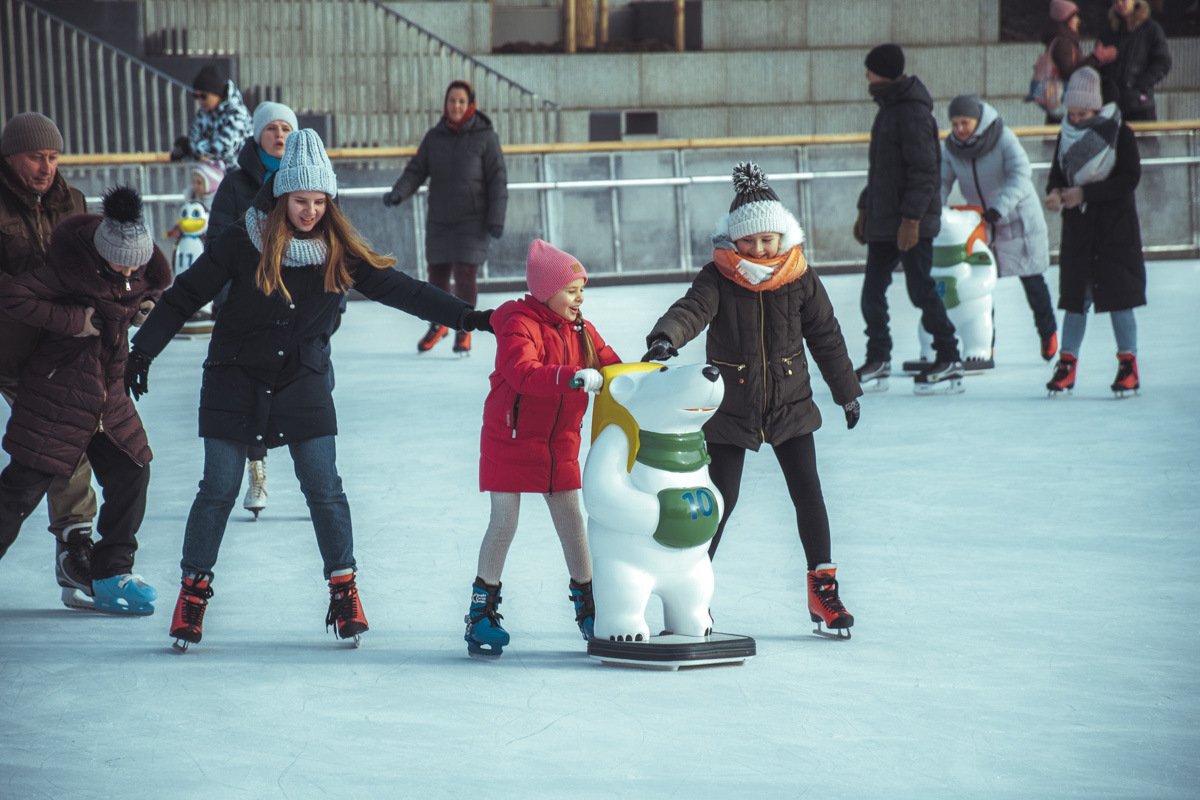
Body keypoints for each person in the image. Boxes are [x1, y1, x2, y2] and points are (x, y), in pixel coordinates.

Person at [128, 129, 494, 650]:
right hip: (235, 377)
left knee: (324, 487)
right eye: (301, 200)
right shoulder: (241, 240)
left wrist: (469, 317)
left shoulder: (338, 250)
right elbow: (185, 294)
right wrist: (144, 349)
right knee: (218, 489)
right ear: (281, 196)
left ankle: (343, 588)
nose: (310, 211)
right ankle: (193, 591)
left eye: (320, 201)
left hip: (303, 379)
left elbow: (403, 289)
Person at [643, 162, 862, 638]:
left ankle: (822, 588)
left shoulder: (799, 277)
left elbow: (826, 335)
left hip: (791, 403)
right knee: (719, 502)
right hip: (731, 406)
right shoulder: (718, 278)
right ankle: (689, 594)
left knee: (809, 494)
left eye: (768, 240)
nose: (760, 249)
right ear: (733, 241)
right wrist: (666, 338)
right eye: (750, 241)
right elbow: (691, 310)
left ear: (782, 236)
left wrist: (846, 392)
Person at [0, 186, 169, 614]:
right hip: (57, 393)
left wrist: (146, 303)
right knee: (20, 492)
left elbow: (156, 288)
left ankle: (111, 575)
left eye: (137, 263)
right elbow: (14, 296)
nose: (129, 270)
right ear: (101, 252)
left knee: (133, 471)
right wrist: (77, 322)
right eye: (120, 262)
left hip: (107, 397)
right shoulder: (68, 271)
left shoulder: (141, 269)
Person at [465, 238, 620, 658]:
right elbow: (523, 373)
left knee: (573, 523)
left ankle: (591, 610)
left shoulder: (582, 329)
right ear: (546, 291)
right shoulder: (517, 321)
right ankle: (481, 614)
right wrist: (573, 377)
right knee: (504, 523)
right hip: (510, 438)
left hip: (559, 443)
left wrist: (639, 376)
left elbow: (610, 362)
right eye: (572, 290)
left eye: (581, 290)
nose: (579, 298)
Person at [0, 111, 100, 609]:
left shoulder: (73, 203)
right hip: (8, 346)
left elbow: (93, 267)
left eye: (53, 157)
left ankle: (75, 545)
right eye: (36, 157)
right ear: (10, 156)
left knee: (65, 441)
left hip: (56, 352)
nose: (46, 167)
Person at [206, 101, 300, 519]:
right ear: (257, 135)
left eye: (286, 129)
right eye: (271, 129)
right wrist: (226, 298)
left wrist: (332, 313)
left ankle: (316, 479)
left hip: (297, 311)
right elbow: (218, 244)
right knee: (252, 397)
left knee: (302, 397)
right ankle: (256, 468)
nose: (279, 135)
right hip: (247, 310)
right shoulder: (235, 184)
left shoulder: (306, 180)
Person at [852, 43, 964, 394]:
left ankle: (949, 356)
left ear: (883, 71)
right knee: (872, 291)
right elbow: (883, 172)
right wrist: (865, 207)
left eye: (870, 69)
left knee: (921, 290)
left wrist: (912, 219)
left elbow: (924, 171)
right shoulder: (888, 109)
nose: (866, 75)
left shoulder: (912, 112)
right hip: (885, 222)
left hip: (909, 222)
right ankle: (879, 358)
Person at [383, 80, 508, 356]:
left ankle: (464, 330)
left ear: (470, 104)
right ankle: (438, 323)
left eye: (461, 101)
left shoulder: (485, 137)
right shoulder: (434, 137)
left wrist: (496, 218)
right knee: (436, 277)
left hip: (472, 220)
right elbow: (416, 170)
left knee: (466, 276)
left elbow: (498, 179)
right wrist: (398, 193)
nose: (456, 106)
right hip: (440, 218)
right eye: (452, 100)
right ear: (445, 104)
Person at [1043, 67, 1146, 397]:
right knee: (1076, 300)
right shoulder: (1066, 133)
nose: (1075, 119)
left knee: (1119, 300)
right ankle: (1067, 364)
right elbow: (1058, 173)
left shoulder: (1119, 134)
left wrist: (1086, 194)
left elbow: (1129, 178)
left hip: (1114, 232)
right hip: (1079, 232)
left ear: (1098, 108)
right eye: (1071, 113)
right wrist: (1056, 193)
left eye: (1082, 113)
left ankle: (1128, 363)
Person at [940, 95, 1059, 362]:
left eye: (965, 122)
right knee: (982, 285)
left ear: (978, 120)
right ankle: (985, 346)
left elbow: (1021, 173)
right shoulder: (950, 148)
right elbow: (941, 181)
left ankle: (1048, 331)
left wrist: (999, 206)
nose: (960, 129)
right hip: (982, 223)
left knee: (1032, 279)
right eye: (955, 123)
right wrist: (936, 211)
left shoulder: (1002, 136)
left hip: (1017, 217)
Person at [1095, 0, 1172, 121]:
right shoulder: (1108, 30)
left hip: (1139, 105)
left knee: (1143, 139)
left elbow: (1163, 62)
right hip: (1111, 104)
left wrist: (1140, 84)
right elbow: (1098, 65)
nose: (1119, 4)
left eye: (1123, 0)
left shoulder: (1151, 29)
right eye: (1115, 1)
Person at [172, 64, 253, 170]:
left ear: (217, 93)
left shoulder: (237, 115)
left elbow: (222, 149)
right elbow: (194, 137)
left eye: (203, 96)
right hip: (211, 176)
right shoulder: (204, 114)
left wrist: (189, 148)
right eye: (196, 96)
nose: (200, 101)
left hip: (238, 176)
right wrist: (185, 148)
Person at [1041, 1, 1100, 124]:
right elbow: (1069, 73)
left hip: (1058, 103)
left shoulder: (1062, 41)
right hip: (1066, 103)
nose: (1078, 21)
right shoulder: (1063, 43)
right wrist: (1094, 58)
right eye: (1075, 17)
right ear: (1066, 19)